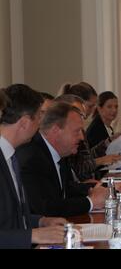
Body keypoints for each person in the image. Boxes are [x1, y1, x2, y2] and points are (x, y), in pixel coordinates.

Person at [0, 85, 66, 248]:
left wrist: (41, 221)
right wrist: (32, 235)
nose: (40, 125)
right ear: (24, 123)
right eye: (38, 118)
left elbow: (13, 217)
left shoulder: (12, 155)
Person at [17, 102, 108, 217]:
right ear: (56, 131)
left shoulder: (59, 152)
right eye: (77, 131)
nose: (81, 137)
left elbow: (65, 188)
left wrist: (94, 189)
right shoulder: (32, 158)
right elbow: (44, 207)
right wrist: (90, 202)